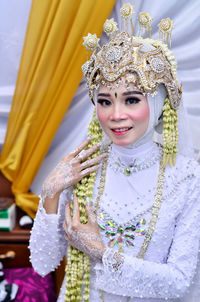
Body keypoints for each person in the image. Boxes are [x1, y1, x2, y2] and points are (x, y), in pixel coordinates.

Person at [29, 4, 200, 302]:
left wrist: (100, 252)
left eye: (132, 100)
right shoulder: (83, 168)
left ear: (159, 104)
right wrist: (51, 193)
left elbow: (179, 282)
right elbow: (43, 264)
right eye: (105, 101)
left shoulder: (186, 177)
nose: (115, 115)